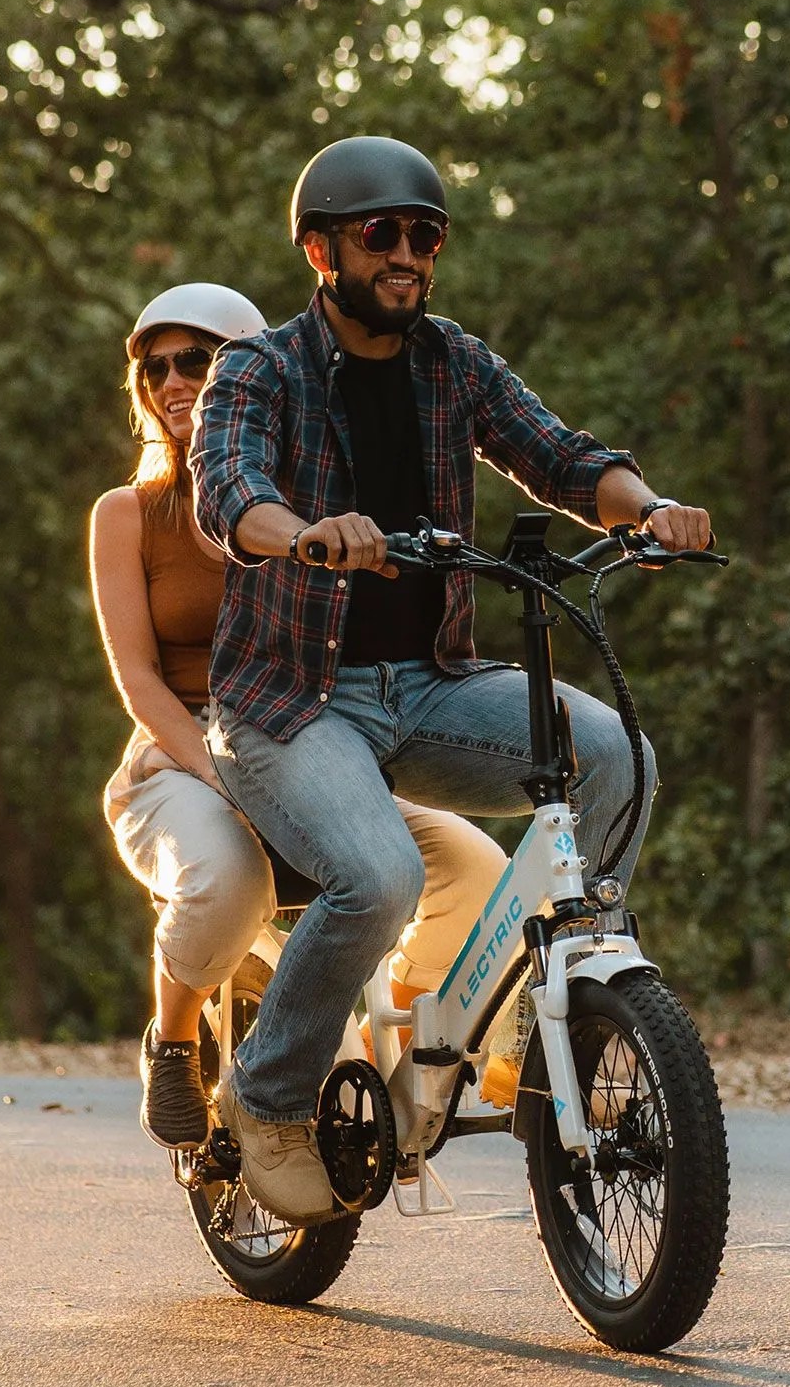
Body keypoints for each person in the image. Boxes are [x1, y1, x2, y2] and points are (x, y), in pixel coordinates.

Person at [191, 137, 712, 1220]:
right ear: (321, 248)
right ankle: (269, 1095)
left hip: (428, 681)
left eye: (425, 236)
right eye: (383, 233)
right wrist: (304, 533)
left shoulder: (453, 362)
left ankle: (548, 1009)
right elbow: (228, 491)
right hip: (291, 699)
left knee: (619, 758)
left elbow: (560, 455)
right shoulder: (260, 368)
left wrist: (648, 508)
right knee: (378, 879)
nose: (408, 256)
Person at [85, 282, 506, 1153]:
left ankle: (397, 1034)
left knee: (473, 862)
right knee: (226, 880)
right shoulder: (126, 515)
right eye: (154, 366)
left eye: (193, 362)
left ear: (249, 373)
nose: (171, 382)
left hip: (304, 740)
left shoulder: (311, 510)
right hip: (180, 761)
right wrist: (216, 769)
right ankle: (173, 1038)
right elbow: (137, 678)